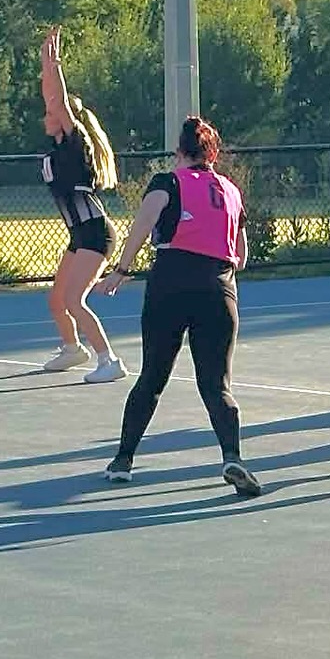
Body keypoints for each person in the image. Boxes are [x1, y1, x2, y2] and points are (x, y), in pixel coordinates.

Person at [94, 116, 261, 497]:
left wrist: (121, 271)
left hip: (170, 283)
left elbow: (142, 225)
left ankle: (122, 460)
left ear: (179, 152)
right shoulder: (231, 191)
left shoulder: (167, 183)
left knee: (153, 376)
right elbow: (241, 256)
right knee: (216, 384)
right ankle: (232, 456)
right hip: (218, 289)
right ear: (213, 155)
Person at [37, 27, 126, 382]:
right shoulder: (57, 147)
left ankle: (110, 361)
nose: (45, 116)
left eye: (51, 113)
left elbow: (58, 102)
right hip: (79, 234)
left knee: (75, 300)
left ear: (64, 119)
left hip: (95, 232)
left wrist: (55, 64)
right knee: (56, 300)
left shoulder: (76, 145)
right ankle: (73, 348)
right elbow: (52, 99)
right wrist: (44, 68)